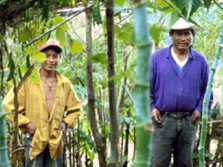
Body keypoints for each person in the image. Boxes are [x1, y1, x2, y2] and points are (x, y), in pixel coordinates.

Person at [3, 39, 82, 167]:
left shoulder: (64, 83)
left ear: (58, 59)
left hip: (55, 139)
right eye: (47, 55)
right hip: (35, 138)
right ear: (40, 57)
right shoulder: (28, 80)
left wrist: (65, 123)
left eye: (55, 56)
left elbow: (76, 108)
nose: (51, 60)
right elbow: (8, 106)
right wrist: (26, 123)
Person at [150, 18, 212, 167]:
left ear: (192, 36)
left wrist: (200, 110)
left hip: (188, 121)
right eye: (178, 34)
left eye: (187, 34)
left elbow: (207, 89)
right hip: (163, 121)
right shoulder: (157, 58)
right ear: (171, 36)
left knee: (184, 163)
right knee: (158, 162)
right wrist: (151, 107)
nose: (183, 38)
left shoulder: (200, 60)